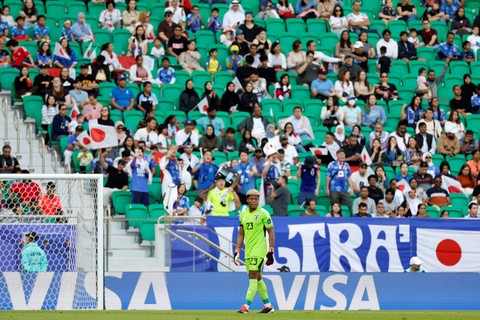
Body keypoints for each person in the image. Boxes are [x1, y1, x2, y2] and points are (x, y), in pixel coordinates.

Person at [234, 188, 274, 314]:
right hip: (249, 251)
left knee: (252, 275)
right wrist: (237, 250)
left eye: (256, 199)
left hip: (259, 249)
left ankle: (246, 306)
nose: (253, 201)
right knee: (257, 277)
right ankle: (268, 305)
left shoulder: (263, 213)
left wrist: (270, 250)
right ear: (247, 200)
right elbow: (241, 233)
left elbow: (271, 231)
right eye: (251, 199)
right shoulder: (243, 215)